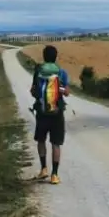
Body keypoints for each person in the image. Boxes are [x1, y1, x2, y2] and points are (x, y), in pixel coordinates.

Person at [30, 44, 69, 184]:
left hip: (42, 112)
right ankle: (54, 175)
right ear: (56, 57)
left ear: (44, 57)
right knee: (56, 144)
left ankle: (43, 169)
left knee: (41, 140)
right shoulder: (61, 72)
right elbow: (67, 93)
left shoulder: (38, 72)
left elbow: (33, 91)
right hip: (57, 112)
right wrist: (60, 90)